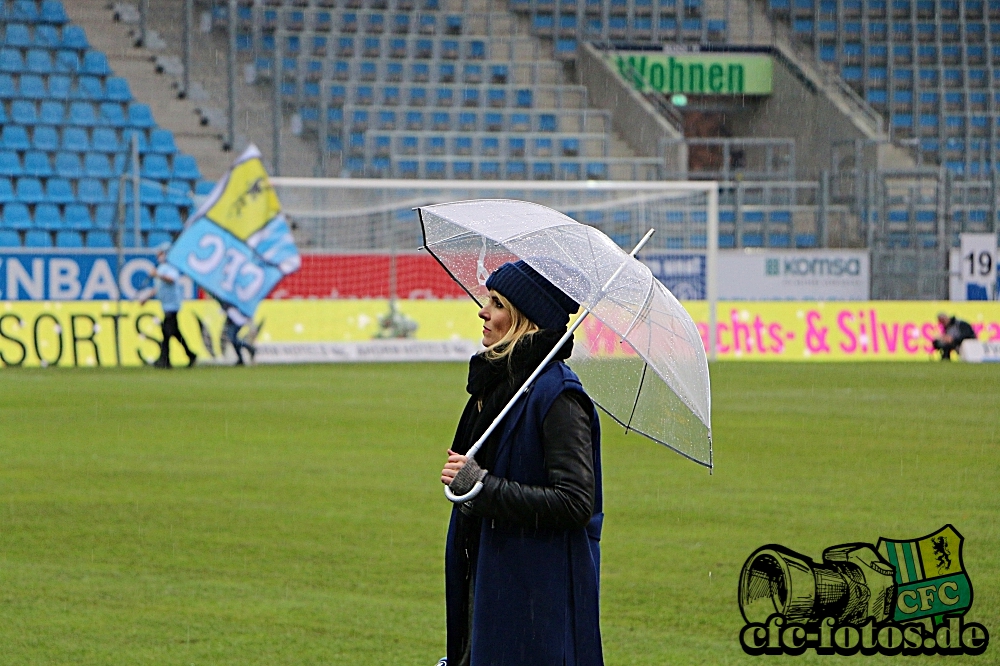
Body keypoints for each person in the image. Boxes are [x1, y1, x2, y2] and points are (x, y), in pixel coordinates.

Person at [440, 260, 604, 666]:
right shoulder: (500, 384)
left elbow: (574, 503)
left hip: (535, 596)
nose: (483, 311)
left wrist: (481, 485)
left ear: (522, 319)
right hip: (496, 578)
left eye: (496, 303)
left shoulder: (559, 396)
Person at [140, 245, 196, 368]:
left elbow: (171, 279)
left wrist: (157, 274)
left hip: (172, 306)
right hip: (166, 305)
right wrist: (146, 297)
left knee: (166, 332)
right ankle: (190, 355)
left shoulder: (170, 268)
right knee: (174, 333)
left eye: (160, 253)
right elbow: (159, 287)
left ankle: (165, 360)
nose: (157, 256)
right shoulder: (161, 268)